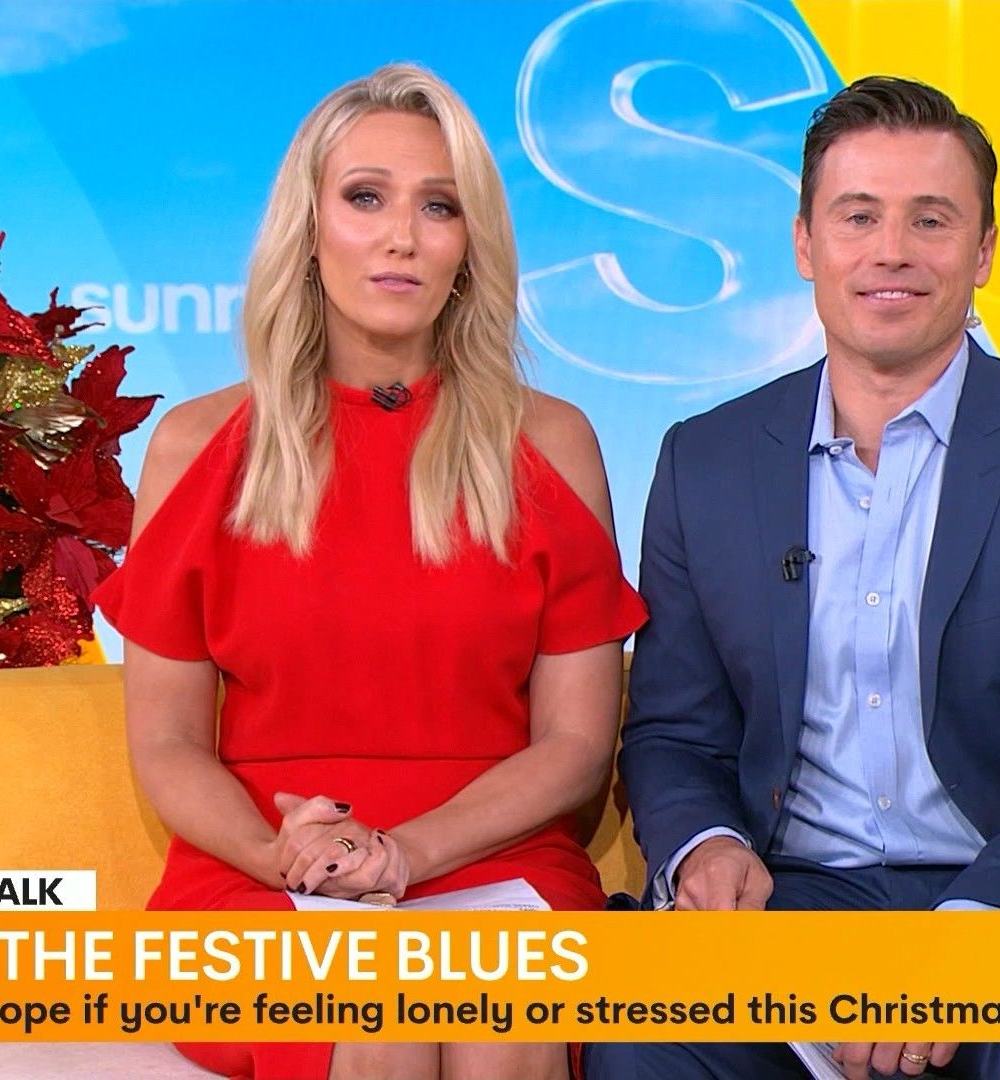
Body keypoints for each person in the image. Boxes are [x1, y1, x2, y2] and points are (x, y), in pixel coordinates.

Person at [586, 76, 1000, 1080]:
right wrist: (706, 847)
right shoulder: (706, 460)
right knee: (642, 1041)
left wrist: (969, 932)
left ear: (984, 251)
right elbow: (673, 734)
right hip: (790, 902)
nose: (892, 251)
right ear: (805, 243)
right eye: (858, 216)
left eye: (932, 219)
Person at [91, 63, 645, 1080]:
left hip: (496, 851)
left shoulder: (553, 443)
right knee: (377, 1006)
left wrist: (407, 855)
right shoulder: (196, 446)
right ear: (308, 228)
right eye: (365, 197)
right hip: (260, 864)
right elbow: (166, 744)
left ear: (470, 245)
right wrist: (286, 855)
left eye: (439, 206)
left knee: (502, 1008)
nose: (402, 237)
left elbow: (574, 745)